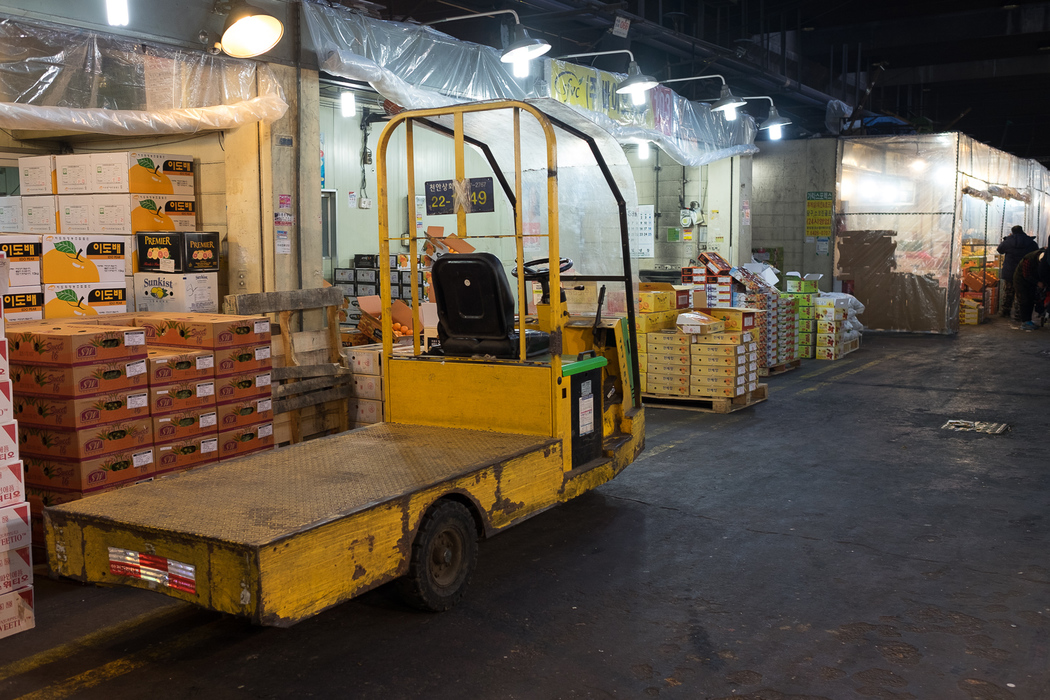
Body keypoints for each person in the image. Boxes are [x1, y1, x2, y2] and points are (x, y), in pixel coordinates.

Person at [997, 225, 1038, 317]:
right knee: (1022, 293)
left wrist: (1007, 238)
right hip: (1024, 271)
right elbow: (1036, 254)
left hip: (1009, 272)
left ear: (1012, 232)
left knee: (1008, 292)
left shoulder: (1008, 241)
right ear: (1022, 231)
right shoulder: (1031, 242)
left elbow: (1000, 250)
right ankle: (1019, 314)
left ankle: (1005, 312)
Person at [1013, 247, 1050, 330]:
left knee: (1031, 299)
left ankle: (1029, 320)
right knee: (1024, 300)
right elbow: (1026, 275)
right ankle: (1025, 322)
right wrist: (1038, 282)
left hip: (1032, 281)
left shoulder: (1046, 258)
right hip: (1021, 280)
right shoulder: (1029, 260)